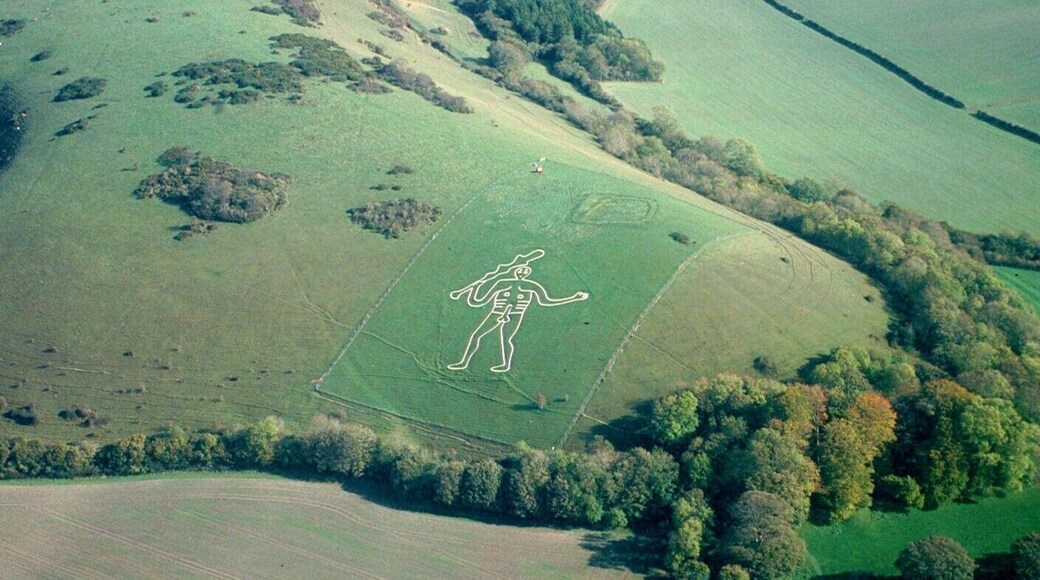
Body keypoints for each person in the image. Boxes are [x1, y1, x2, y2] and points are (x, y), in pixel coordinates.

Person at [448, 251, 588, 373]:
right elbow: (478, 302)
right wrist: (474, 289)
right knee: (477, 335)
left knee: (506, 339)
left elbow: (546, 301)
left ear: (528, 274)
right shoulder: (502, 283)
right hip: (496, 313)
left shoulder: (532, 286)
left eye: (525, 272)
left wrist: (572, 298)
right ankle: (464, 362)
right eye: (520, 270)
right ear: (515, 271)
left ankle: (505, 364)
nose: (521, 273)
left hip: (514, 315)